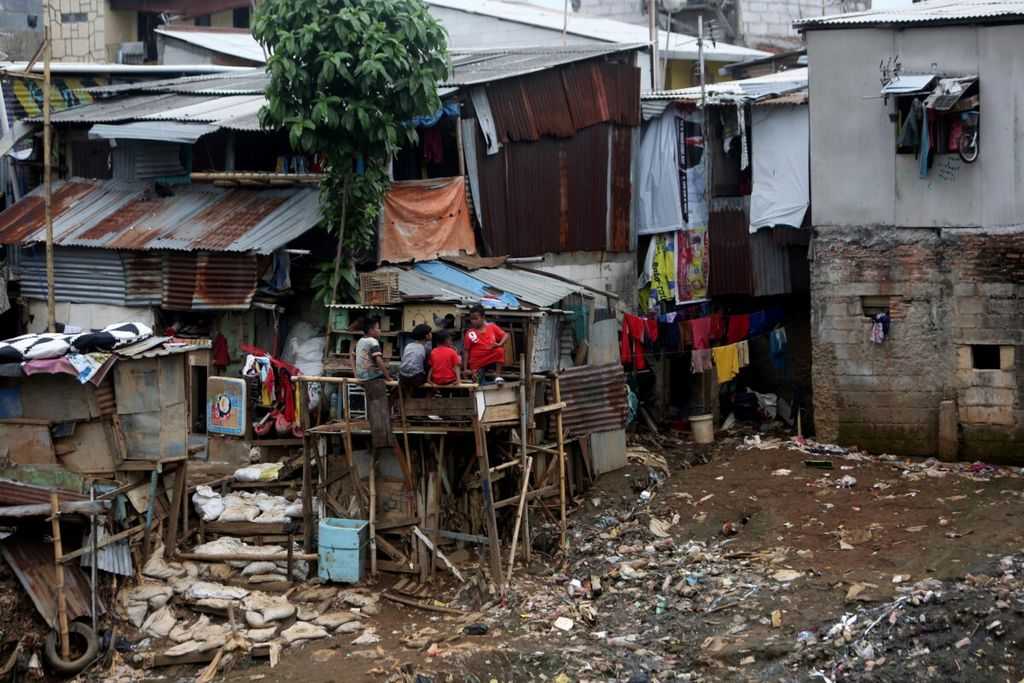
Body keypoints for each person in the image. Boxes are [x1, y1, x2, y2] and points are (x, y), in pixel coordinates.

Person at [463, 304, 506, 384]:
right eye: (471, 319)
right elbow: (466, 351)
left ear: (483, 317)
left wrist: (499, 344)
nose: (473, 321)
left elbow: (505, 335)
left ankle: (498, 376)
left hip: (490, 358)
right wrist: (465, 369)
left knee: (500, 350)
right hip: (476, 362)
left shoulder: (491, 326)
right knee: (477, 383)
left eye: (476, 318)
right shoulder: (470, 333)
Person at [354, 317, 390, 381]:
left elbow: (352, 356)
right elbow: (378, 360)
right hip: (369, 375)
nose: (380, 330)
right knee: (394, 370)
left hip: (360, 375)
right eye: (378, 328)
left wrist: (355, 372)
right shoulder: (372, 341)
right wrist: (388, 377)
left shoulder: (360, 341)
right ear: (371, 330)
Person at [399, 323, 432, 392]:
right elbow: (427, 366)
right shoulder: (425, 348)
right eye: (430, 333)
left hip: (402, 378)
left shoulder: (408, 345)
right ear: (426, 336)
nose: (431, 334)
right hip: (416, 379)